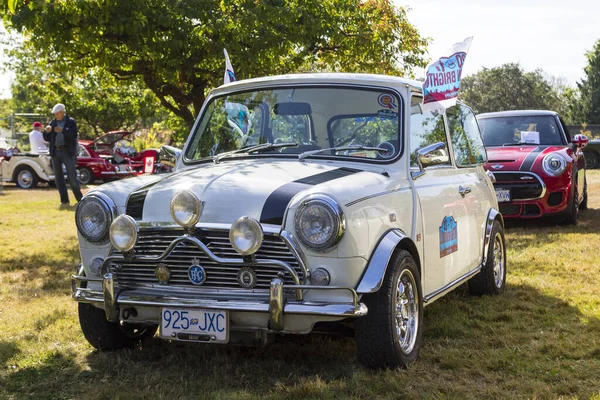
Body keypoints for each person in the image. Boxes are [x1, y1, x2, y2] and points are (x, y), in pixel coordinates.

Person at [43, 103, 83, 205]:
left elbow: (73, 136)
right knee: (58, 178)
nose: (56, 116)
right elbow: (46, 138)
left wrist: (63, 130)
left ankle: (80, 199)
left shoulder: (71, 122)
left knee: (72, 177)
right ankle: (64, 200)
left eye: (58, 113)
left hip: (66, 151)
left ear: (62, 112)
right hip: (55, 152)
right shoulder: (52, 123)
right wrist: (46, 132)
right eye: (55, 114)